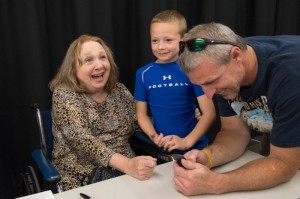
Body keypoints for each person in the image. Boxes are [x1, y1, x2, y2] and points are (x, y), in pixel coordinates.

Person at [173, 22, 300, 195]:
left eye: (211, 82)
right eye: (201, 85)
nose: (209, 95)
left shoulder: (290, 76)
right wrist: (208, 157)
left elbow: (284, 163)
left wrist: (215, 183)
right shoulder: (224, 66)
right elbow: (235, 133)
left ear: (236, 55)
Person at [49, 34, 157, 191]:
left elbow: (139, 122)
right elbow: (83, 140)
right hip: (82, 174)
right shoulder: (64, 94)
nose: (99, 65)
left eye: (102, 58)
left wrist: (173, 120)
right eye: (89, 60)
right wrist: (127, 165)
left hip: (126, 172)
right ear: (73, 68)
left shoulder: (119, 90)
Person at [134, 10, 216, 154]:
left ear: (183, 39)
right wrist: (154, 137)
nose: (160, 46)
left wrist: (186, 142)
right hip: (163, 150)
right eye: (155, 40)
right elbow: (141, 114)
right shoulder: (143, 74)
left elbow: (209, 113)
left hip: (196, 148)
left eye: (168, 40)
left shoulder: (192, 69)